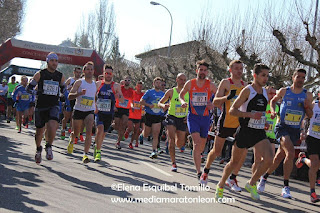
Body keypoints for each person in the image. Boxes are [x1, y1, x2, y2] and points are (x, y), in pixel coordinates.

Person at [215, 63, 273, 201]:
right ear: (255, 75)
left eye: (267, 75)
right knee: (234, 163)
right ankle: (221, 185)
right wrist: (251, 115)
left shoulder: (265, 92)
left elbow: (260, 112)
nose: (265, 78)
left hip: (258, 132)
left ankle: (251, 183)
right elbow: (232, 110)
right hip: (245, 131)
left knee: (269, 159)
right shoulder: (247, 90)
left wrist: (263, 120)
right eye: (263, 75)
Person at [257, 69, 313, 199]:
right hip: (282, 127)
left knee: (278, 157)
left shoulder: (307, 95)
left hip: (295, 129)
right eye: (298, 77)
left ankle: (264, 178)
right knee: (291, 153)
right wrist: (272, 110)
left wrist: (306, 107)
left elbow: (309, 115)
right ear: (293, 77)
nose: (300, 79)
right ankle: (286, 187)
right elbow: (273, 101)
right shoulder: (284, 91)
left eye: (303, 78)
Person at [200, 60, 246, 192]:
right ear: (230, 70)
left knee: (240, 153)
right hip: (226, 122)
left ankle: (232, 178)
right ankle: (206, 171)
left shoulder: (245, 85)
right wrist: (227, 97)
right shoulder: (226, 83)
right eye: (236, 68)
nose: (239, 71)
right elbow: (215, 101)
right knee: (217, 151)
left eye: (241, 68)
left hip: (239, 123)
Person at [179, 60, 217, 181]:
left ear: (207, 72)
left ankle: (194, 147)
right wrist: (183, 102)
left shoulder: (211, 85)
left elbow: (219, 97)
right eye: (201, 70)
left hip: (205, 118)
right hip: (193, 116)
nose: (203, 72)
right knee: (197, 144)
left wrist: (213, 104)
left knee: (201, 146)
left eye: (205, 70)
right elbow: (181, 94)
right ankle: (198, 171)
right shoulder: (190, 83)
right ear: (197, 71)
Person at [26, 52, 66, 164]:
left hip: (53, 105)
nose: (55, 63)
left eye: (56, 61)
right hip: (41, 105)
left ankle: (49, 146)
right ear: (47, 61)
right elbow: (29, 89)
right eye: (52, 61)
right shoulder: (40, 74)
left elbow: (64, 90)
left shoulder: (60, 76)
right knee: (39, 131)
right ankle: (38, 148)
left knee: (53, 125)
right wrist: (36, 92)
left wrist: (63, 95)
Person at [67, 61, 97, 163]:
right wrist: (79, 93)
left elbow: (95, 97)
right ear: (84, 71)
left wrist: (96, 105)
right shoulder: (79, 82)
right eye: (87, 69)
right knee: (77, 132)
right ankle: (72, 139)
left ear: (93, 71)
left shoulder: (95, 84)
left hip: (90, 111)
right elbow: (69, 96)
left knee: (89, 131)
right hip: (79, 110)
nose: (89, 71)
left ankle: (85, 154)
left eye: (91, 69)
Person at [159, 73, 188, 172]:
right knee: (171, 139)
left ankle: (178, 143)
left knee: (180, 143)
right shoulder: (171, 91)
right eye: (181, 79)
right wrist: (163, 106)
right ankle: (173, 163)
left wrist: (188, 116)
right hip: (171, 117)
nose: (183, 82)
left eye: (184, 80)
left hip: (182, 119)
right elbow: (160, 102)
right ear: (176, 80)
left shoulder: (188, 92)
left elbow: (193, 106)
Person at [94, 64, 123, 162]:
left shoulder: (116, 86)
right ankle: (98, 151)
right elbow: (93, 96)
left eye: (110, 73)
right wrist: (95, 106)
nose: (108, 75)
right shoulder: (98, 84)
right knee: (100, 129)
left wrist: (119, 95)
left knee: (103, 133)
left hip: (109, 113)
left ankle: (97, 146)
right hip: (99, 112)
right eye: (106, 73)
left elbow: (122, 99)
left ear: (112, 74)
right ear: (103, 73)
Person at [294, 100, 320, 203]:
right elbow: (303, 117)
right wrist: (302, 131)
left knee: (317, 165)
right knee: (315, 164)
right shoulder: (314, 105)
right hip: (312, 137)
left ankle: (303, 159)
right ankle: (312, 193)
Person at [139, 77, 165, 158]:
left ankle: (154, 151)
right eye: (156, 83)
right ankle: (142, 135)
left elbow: (166, 103)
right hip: (149, 115)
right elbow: (141, 101)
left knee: (156, 134)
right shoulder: (149, 92)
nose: (158, 84)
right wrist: (148, 105)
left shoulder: (163, 94)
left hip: (157, 116)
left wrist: (164, 107)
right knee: (146, 134)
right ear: (153, 84)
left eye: (159, 83)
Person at [61, 67, 82, 140]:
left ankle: (72, 133)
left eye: (80, 73)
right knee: (67, 117)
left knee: (73, 117)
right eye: (77, 72)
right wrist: (68, 89)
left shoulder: (81, 81)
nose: (78, 74)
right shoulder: (70, 79)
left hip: (77, 100)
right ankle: (63, 130)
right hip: (69, 99)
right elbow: (63, 87)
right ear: (74, 72)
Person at [114, 76, 134, 149]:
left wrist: (132, 106)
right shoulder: (120, 88)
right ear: (124, 81)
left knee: (123, 125)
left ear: (130, 82)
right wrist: (114, 106)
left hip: (126, 109)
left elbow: (132, 101)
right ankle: (115, 129)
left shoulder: (132, 91)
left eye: (129, 80)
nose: (127, 81)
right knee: (117, 125)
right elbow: (114, 96)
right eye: (126, 80)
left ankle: (118, 142)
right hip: (118, 108)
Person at [125, 81, 144, 149]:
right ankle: (127, 131)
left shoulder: (143, 94)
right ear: (136, 86)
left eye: (140, 87)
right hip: (131, 113)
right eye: (138, 86)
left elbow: (144, 102)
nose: (139, 88)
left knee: (136, 130)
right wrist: (132, 106)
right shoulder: (133, 92)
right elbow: (130, 101)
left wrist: (144, 106)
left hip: (138, 115)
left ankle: (131, 143)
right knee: (130, 127)